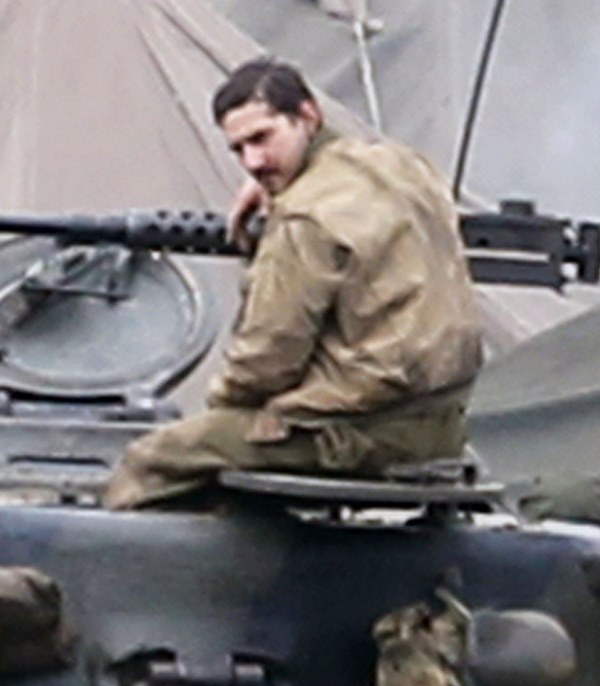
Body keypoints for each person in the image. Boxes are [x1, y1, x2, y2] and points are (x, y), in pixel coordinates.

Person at [104, 59, 482, 510]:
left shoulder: (305, 217)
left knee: (152, 460)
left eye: (262, 139)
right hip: (443, 425)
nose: (253, 162)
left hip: (360, 433)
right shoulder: (406, 166)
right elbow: (349, 179)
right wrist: (280, 185)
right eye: (239, 150)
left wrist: (220, 408)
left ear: (308, 115)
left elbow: (266, 359)